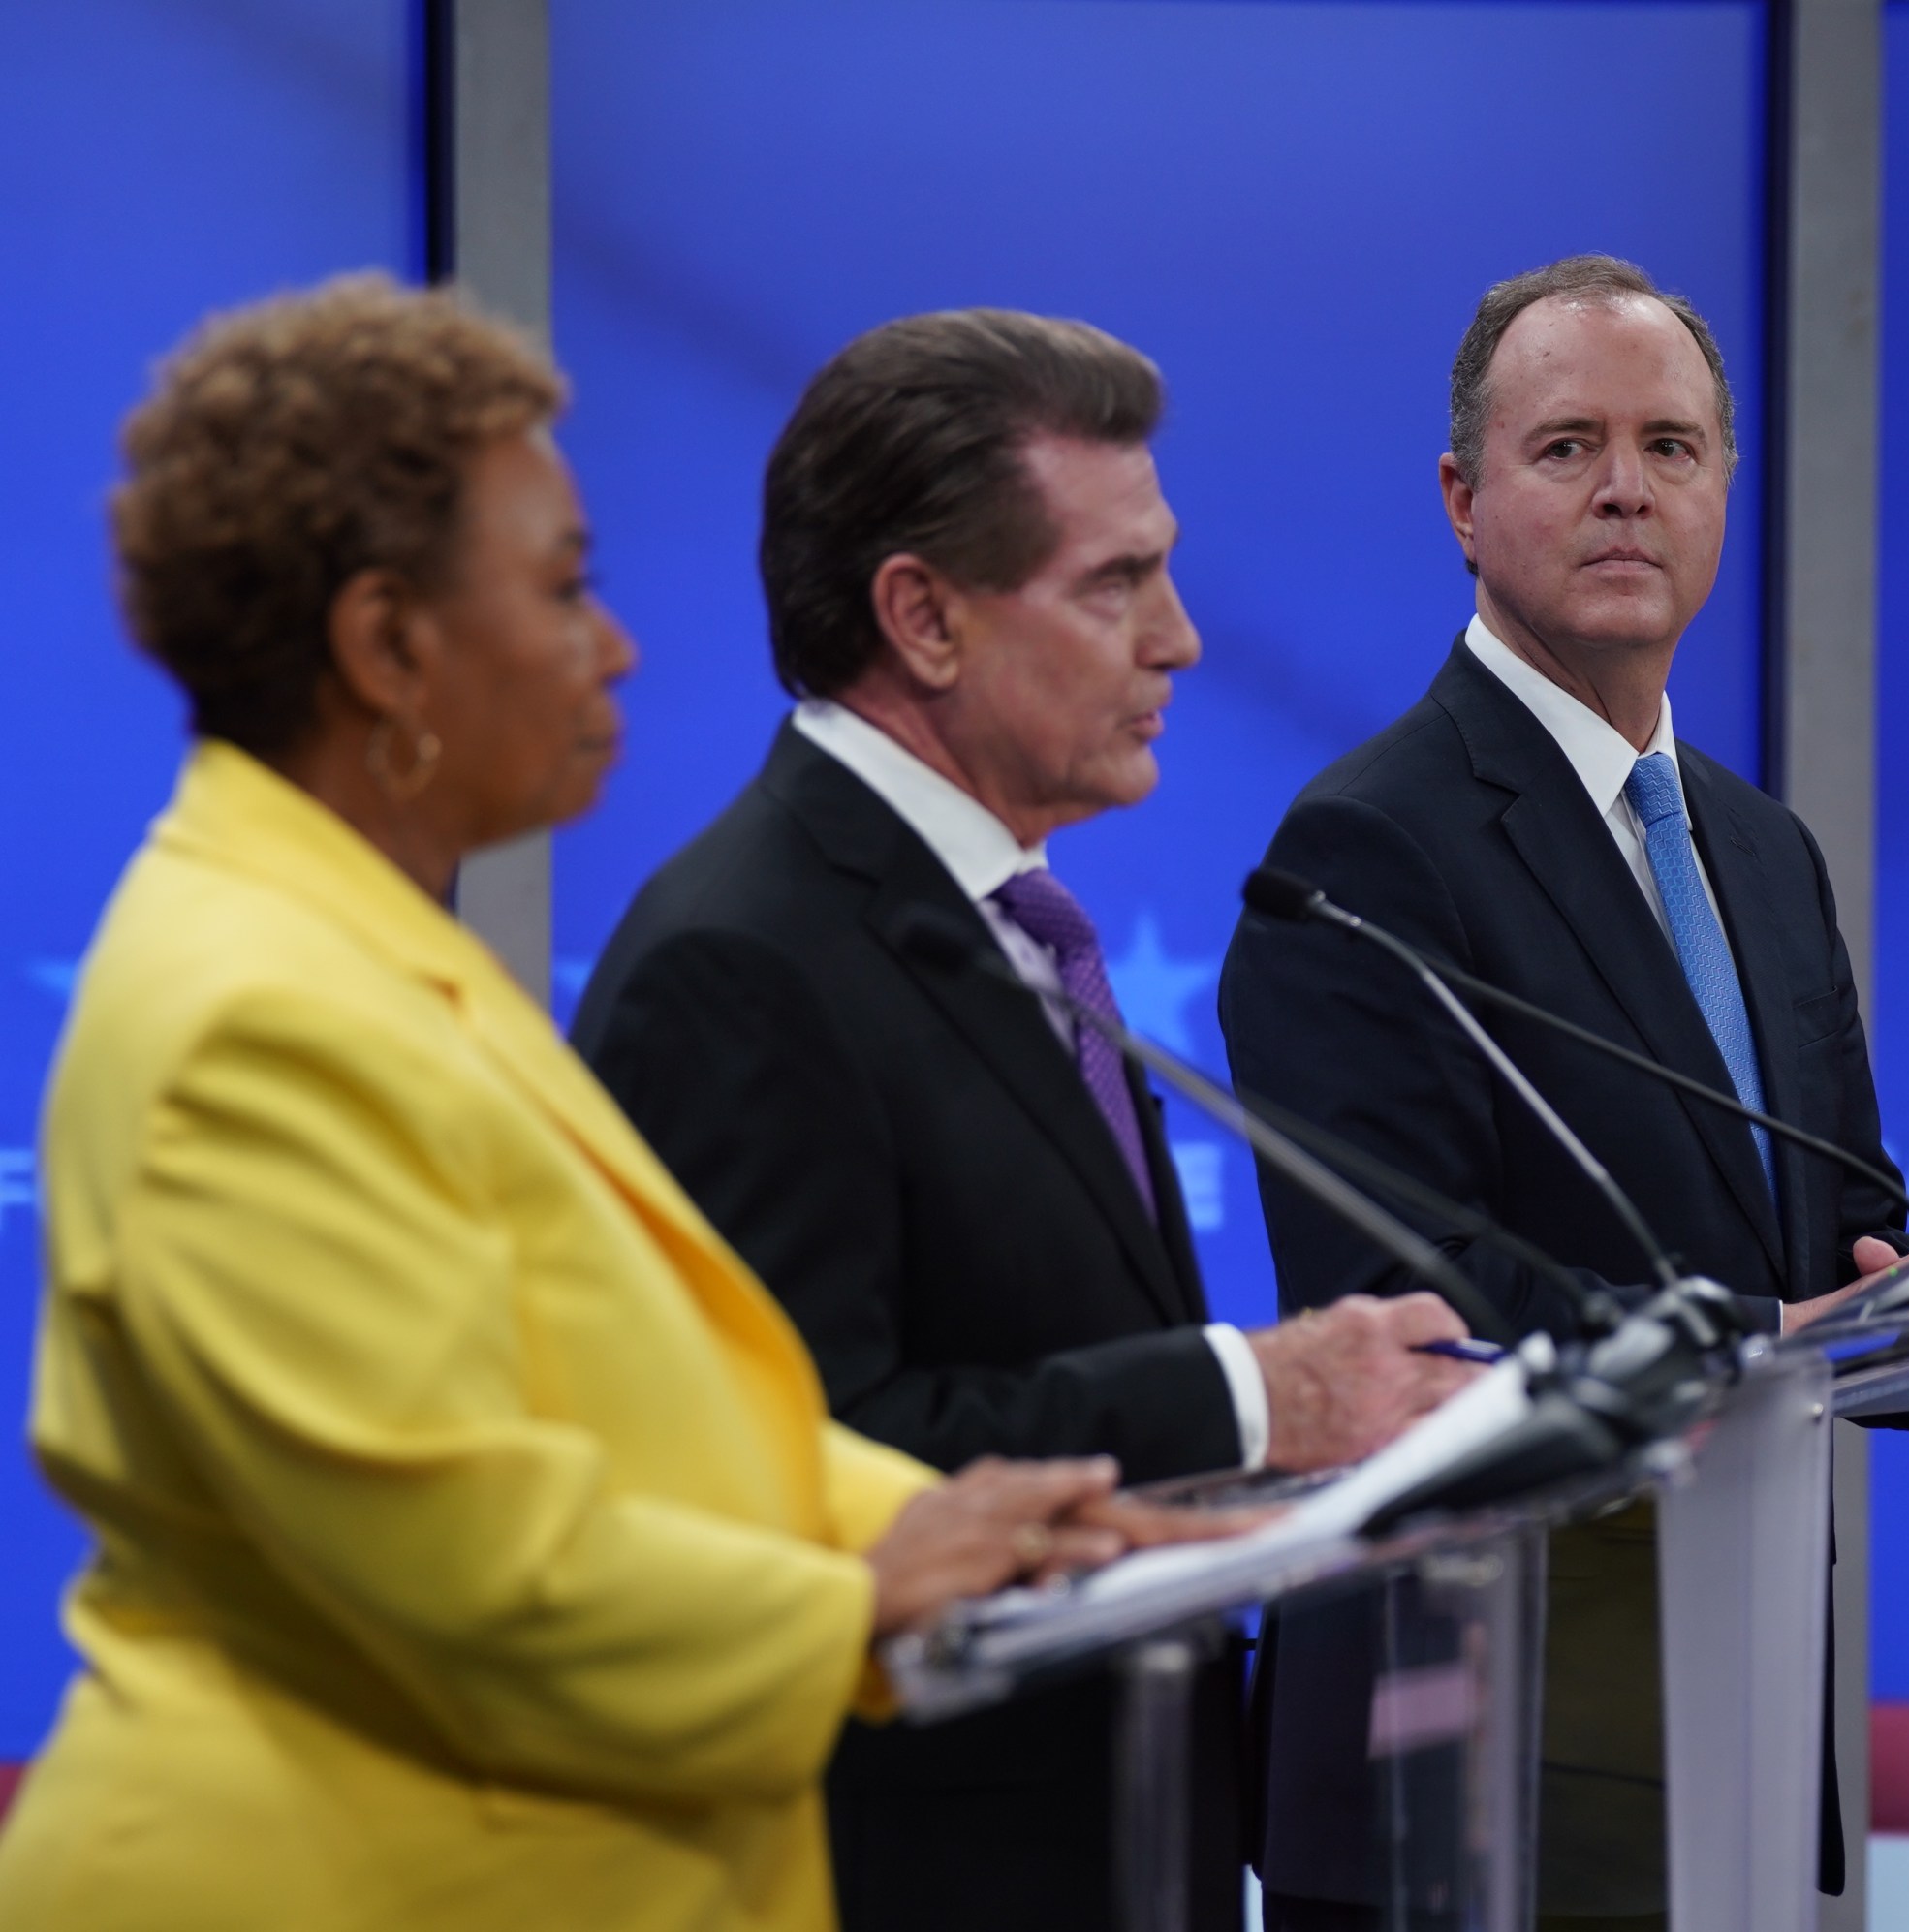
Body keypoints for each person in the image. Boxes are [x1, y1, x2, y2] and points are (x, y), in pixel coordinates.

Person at [0, 274, 1238, 1932]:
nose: (621, 641)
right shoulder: (253, 1014)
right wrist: (861, 1586)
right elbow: (458, 1561)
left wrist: (970, 1517)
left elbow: (657, 1419)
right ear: (387, 646)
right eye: (566, 586)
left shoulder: (355, 944)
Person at [571, 308, 1477, 1932]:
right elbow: (804, 1470)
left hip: (1128, 1840)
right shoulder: (739, 958)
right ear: (922, 616)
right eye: (1114, 583)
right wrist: (1248, 1394)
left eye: (1166, 570)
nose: (1181, 638)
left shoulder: (1003, 921)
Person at [1220, 255, 1908, 1929]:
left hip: (1739, 1682)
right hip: (1475, 1713)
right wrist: (1762, 1333)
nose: (1627, 488)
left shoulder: (1763, 846)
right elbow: (1404, 1297)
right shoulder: (1368, 844)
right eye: (1569, 446)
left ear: (1724, 491)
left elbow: (1838, 1200)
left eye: (1672, 447)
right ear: (1461, 500)